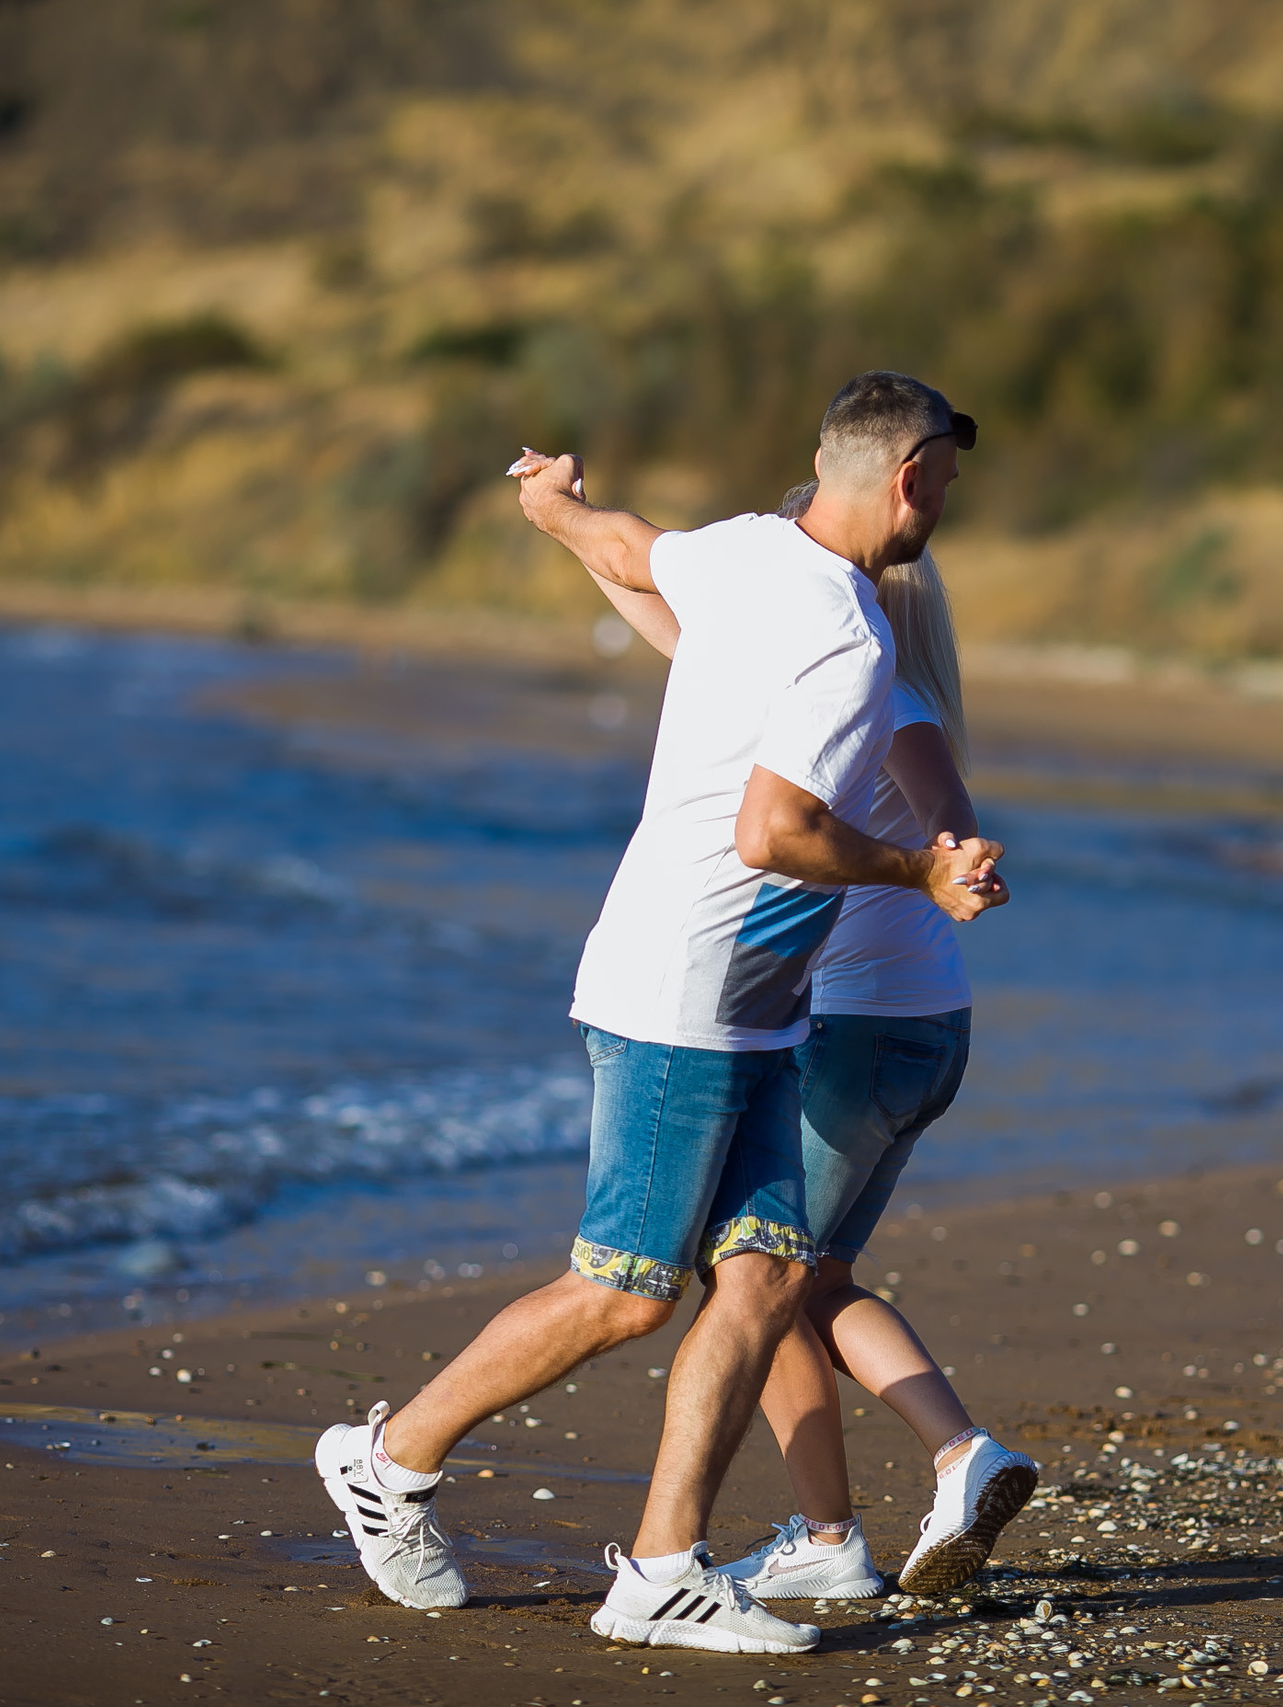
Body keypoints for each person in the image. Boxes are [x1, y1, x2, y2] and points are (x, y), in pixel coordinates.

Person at [310, 371, 1004, 1658]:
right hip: (688, 989)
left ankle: (663, 1570)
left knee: (762, 1277)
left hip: (749, 1004)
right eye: (947, 482)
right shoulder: (849, 644)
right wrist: (917, 872)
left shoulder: (742, 553)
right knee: (624, 1290)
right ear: (908, 476)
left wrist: (557, 511)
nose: (947, 506)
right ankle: (385, 1459)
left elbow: (630, 547)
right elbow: (775, 832)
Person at [585, 520, 1042, 1603]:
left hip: (860, 1033)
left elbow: (949, 824)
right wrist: (578, 533)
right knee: (801, 1276)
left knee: (766, 1275)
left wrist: (959, 858)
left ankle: (940, 1461)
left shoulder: (886, 697)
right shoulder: (817, 676)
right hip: (914, 1030)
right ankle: (841, 1533)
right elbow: (673, 623)